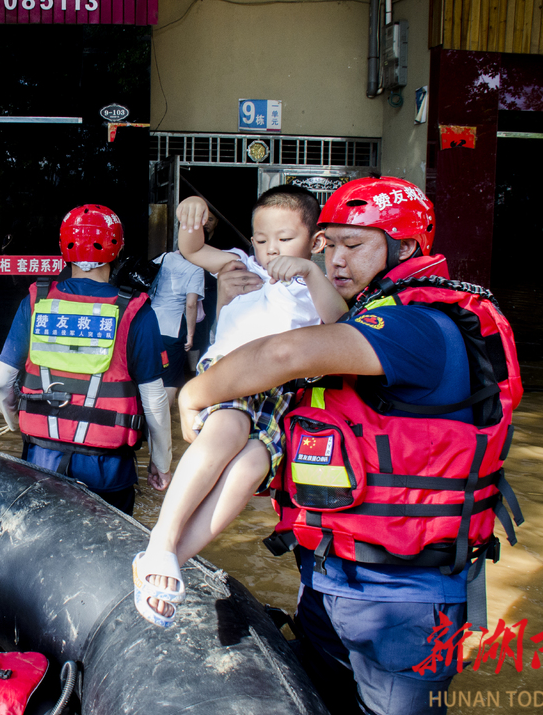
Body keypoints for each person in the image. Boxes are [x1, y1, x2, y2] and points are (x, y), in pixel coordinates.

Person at [175, 177, 522, 715]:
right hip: (329, 575)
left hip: (402, 598)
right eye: (327, 243)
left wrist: (193, 393)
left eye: (354, 245)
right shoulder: (352, 313)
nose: (336, 259)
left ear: (405, 248)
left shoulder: (417, 324)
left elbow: (285, 354)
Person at [133, 185, 346, 628]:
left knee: (250, 468)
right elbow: (192, 250)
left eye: (285, 240)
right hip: (231, 372)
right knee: (227, 433)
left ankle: (169, 559)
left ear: (316, 241)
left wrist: (308, 271)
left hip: (275, 390)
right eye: (262, 239)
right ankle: (162, 541)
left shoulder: (318, 284)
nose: (270, 250)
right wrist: (193, 213)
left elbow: (338, 322)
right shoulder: (241, 265)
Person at [0, 204, 173, 516]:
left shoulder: (38, 300)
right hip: (108, 471)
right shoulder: (135, 310)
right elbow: (154, 399)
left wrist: (15, 423)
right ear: (118, 247)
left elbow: (0, 381)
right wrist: (161, 462)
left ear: (64, 248)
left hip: (41, 460)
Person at [148, 249, 205, 404]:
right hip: (171, 328)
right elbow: (191, 304)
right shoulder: (196, 270)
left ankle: (142, 421)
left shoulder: (164, 256)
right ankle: (161, 423)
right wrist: (191, 335)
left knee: (147, 372)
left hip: (148, 322)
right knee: (170, 378)